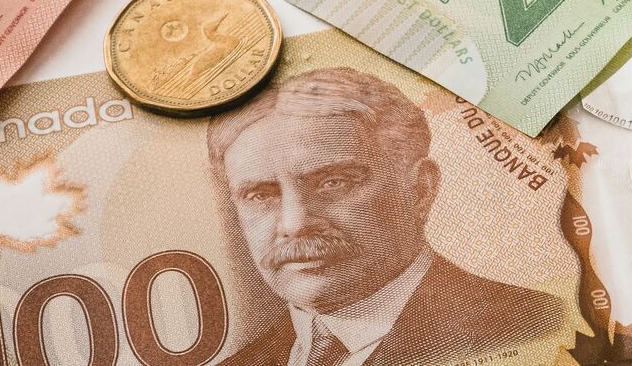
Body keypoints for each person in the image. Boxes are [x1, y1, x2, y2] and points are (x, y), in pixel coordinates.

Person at [210, 68, 567, 366]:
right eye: (261, 195)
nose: (295, 223)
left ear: (419, 190)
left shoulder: (539, 325)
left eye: (333, 183)